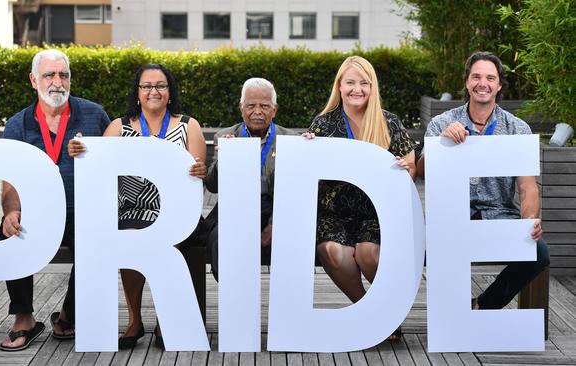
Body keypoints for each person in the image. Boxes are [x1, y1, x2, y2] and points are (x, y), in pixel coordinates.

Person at [69, 63, 207, 349]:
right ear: (138, 92)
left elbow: (198, 173)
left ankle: (164, 320)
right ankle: (135, 319)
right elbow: (98, 164)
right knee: (128, 234)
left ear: (170, 92)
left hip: (175, 214)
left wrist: (199, 170)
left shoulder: (188, 125)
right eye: (146, 86)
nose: (153, 91)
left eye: (160, 85)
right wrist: (81, 150)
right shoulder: (119, 127)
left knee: (162, 238)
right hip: (129, 210)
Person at [417, 51, 549, 309]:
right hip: (452, 217)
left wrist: (528, 222)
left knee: (539, 252)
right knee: (409, 249)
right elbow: (422, 171)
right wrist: (441, 145)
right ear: (467, 81)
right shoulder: (442, 123)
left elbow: (527, 186)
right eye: (476, 76)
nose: (482, 83)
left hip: (498, 215)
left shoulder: (517, 129)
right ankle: (446, 312)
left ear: (499, 85)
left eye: (490, 78)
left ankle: (482, 306)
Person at [0, 49, 111, 351]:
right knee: (6, 231)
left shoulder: (94, 114)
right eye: (49, 75)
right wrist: (12, 211)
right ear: (34, 80)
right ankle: (24, 318)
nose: (57, 82)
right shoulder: (17, 124)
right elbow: (10, 182)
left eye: (64, 75)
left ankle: (67, 315)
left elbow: (115, 162)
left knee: (98, 238)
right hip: (38, 214)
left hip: (81, 212)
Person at [305, 56, 415, 341]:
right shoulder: (323, 124)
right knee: (332, 251)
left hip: (376, 213)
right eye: (350, 82)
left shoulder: (389, 122)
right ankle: (371, 311)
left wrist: (407, 168)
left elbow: (411, 168)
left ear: (372, 86)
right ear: (339, 86)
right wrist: (306, 151)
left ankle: (388, 311)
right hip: (334, 214)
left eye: (364, 83)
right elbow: (307, 172)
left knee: (369, 253)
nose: (357, 89)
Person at [204, 77, 297, 280]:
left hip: (274, 207)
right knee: (220, 239)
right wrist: (226, 158)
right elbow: (212, 186)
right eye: (250, 105)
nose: (257, 112)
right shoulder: (226, 136)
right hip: (234, 209)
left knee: (292, 238)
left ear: (275, 110)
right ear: (241, 108)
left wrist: (276, 222)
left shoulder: (290, 140)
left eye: (264, 106)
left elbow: (294, 191)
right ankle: (232, 294)